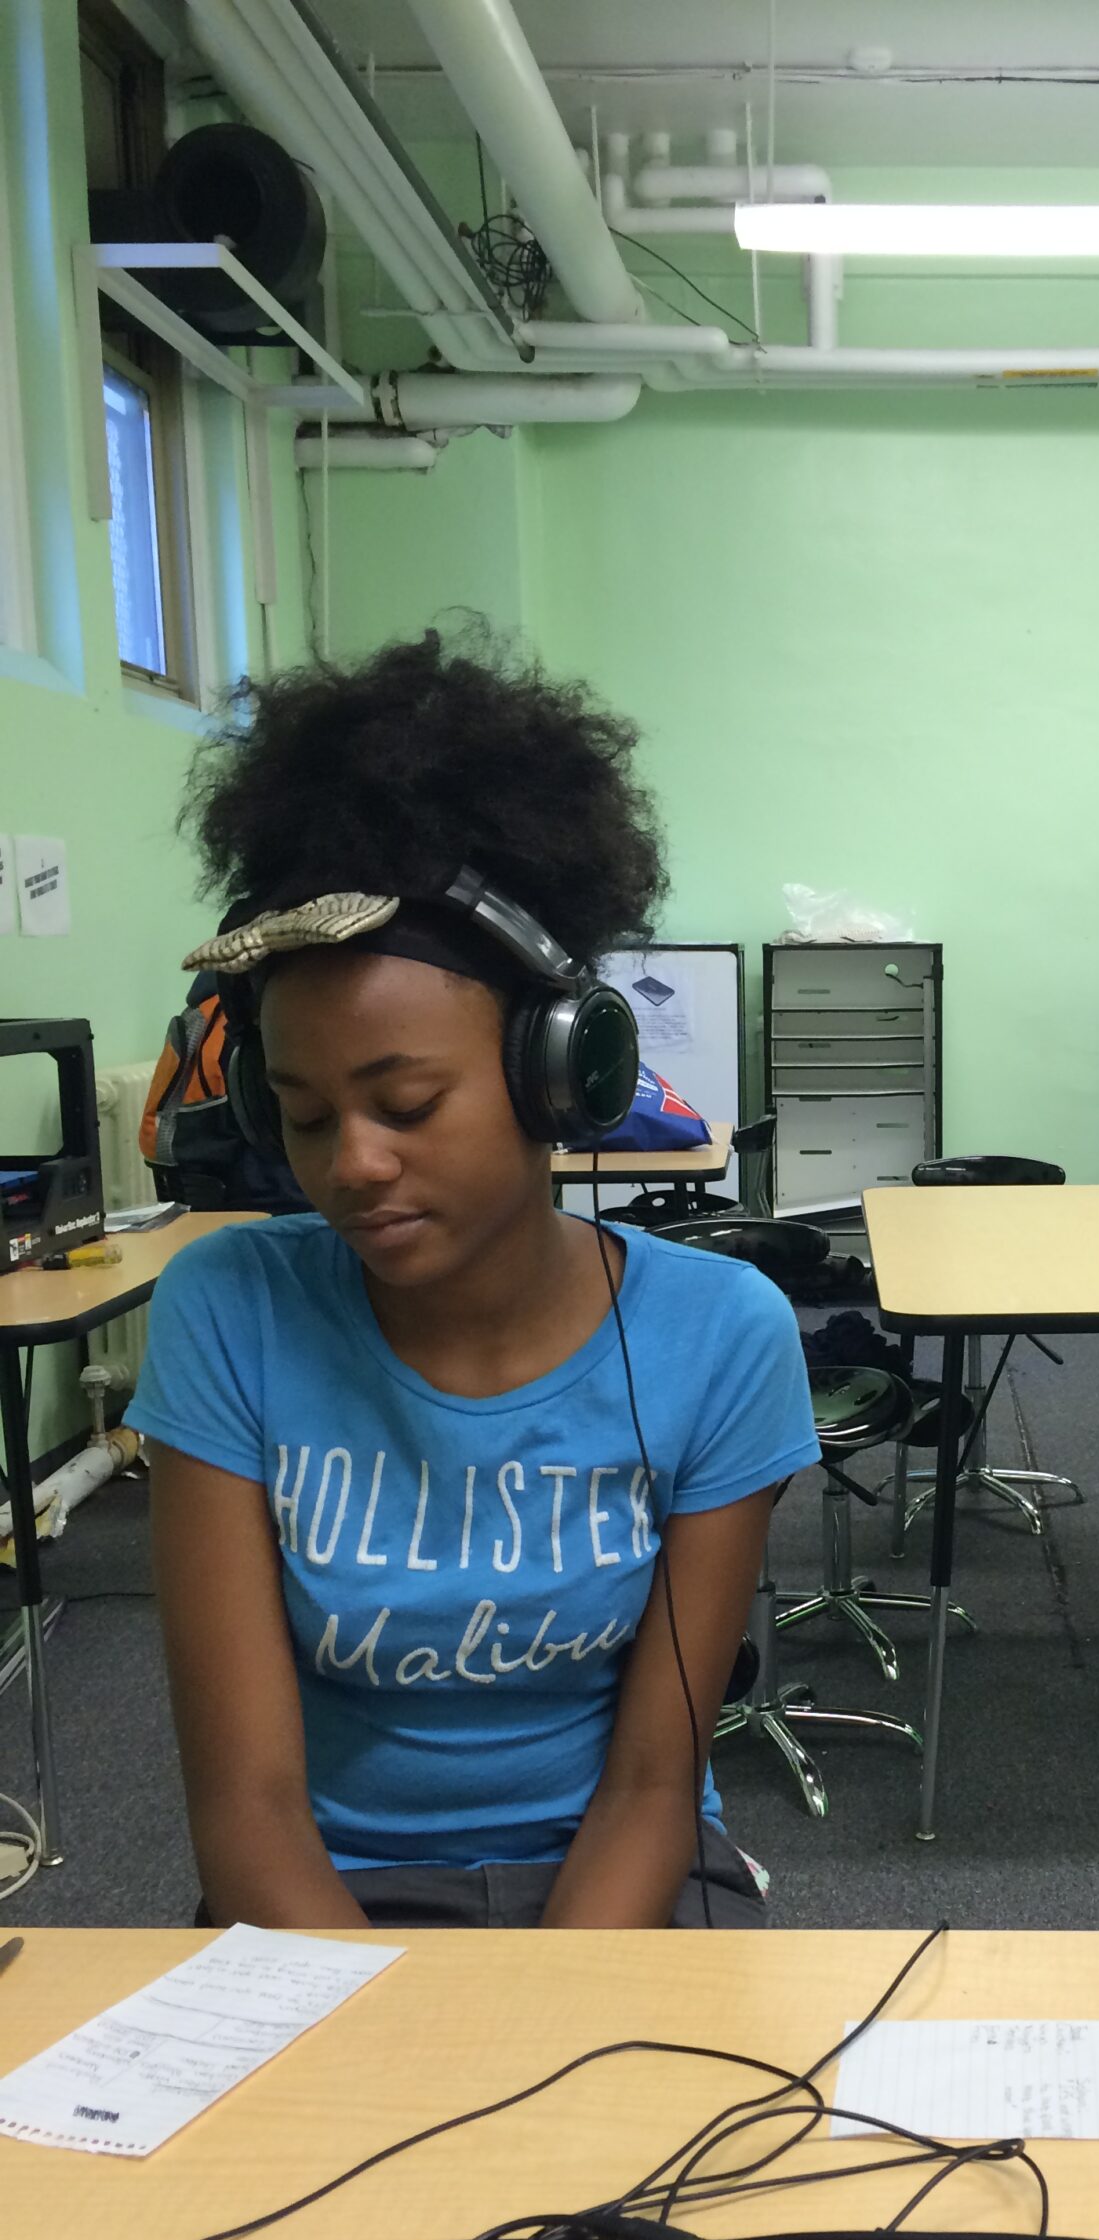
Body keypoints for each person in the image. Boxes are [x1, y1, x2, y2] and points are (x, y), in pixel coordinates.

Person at [128, 632, 819, 1930]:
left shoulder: (720, 1335)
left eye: (405, 1103)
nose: (353, 1164)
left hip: (614, 1874)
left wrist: (533, 2024)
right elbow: (248, 1809)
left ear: (559, 1076)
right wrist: (380, 2028)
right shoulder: (229, 1311)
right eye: (305, 1116)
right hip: (330, 1892)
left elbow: (653, 1786)